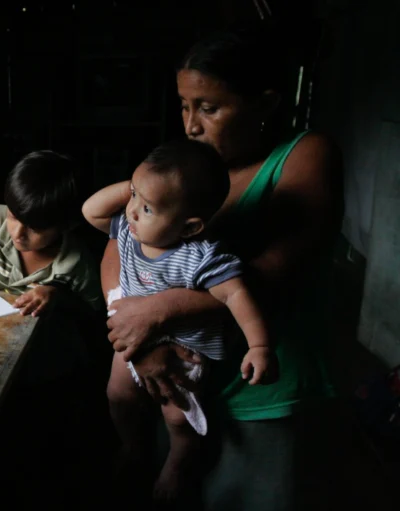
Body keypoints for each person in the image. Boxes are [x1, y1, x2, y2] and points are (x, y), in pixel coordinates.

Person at [103, 28, 343, 510]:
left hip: (259, 387)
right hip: (173, 374)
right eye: (185, 105)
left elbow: (271, 273)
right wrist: (136, 337)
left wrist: (157, 313)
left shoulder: (305, 155)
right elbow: (120, 246)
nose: (191, 124)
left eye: (209, 108)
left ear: (264, 104)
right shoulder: (185, 169)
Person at [84, 139, 278, 502]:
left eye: (148, 208)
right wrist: (137, 188)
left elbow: (237, 294)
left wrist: (260, 346)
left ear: (189, 228)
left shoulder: (200, 257)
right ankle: (132, 447)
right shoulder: (128, 231)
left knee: (177, 418)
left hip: (184, 351)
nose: (132, 212)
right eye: (132, 199)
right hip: (133, 337)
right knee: (118, 395)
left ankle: (178, 464)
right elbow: (90, 210)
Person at [0, 150, 102, 317]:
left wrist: (58, 295)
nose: (17, 234)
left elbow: (90, 314)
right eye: (13, 217)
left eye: (34, 228)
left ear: (66, 226)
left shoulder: (76, 264)